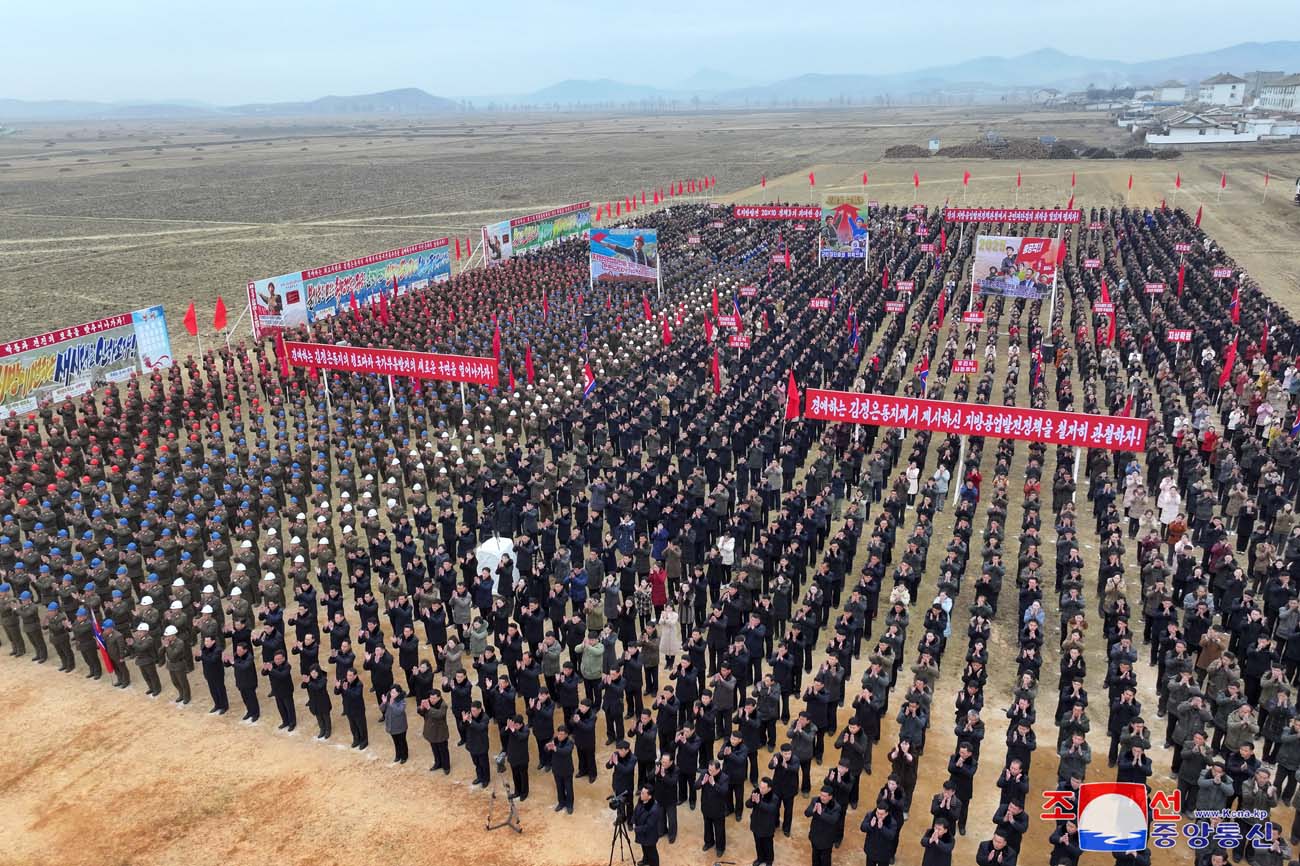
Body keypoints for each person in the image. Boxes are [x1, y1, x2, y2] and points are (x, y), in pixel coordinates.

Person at [805, 786, 840, 866]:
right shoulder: (815, 800)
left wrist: (821, 814)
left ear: (830, 797)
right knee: (815, 859)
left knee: (825, 861)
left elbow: (833, 820)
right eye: (821, 795)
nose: (822, 798)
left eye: (824, 796)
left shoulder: (836, 807)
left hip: (826, 840)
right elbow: (806, 813)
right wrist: (812, 810)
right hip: (815, 836)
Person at [748, 777, 780, 866]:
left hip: (767, 827)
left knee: (768, 846)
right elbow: (748, 804)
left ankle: (769, 861)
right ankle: (760, 858)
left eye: (763, 788)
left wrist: (759, 803)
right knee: (758, 844)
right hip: (756, 824)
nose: (760, 789)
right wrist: (752, 800)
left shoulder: (774, 798)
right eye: (760, 786)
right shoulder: (756, 792)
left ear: (769, 789)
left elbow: (771, 809)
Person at [418, 690, 451, 773]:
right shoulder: (427, 702)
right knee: (434, 749)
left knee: (443, 750)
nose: (432, 700)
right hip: (431, 731)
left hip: (440, 732)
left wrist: (429, 708)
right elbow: (421, 713)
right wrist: (421, 707)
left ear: (439, 698)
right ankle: (438, 763)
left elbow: (440, 715)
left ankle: (446, 766)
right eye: (431, 698)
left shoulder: (443, 705)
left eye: (434, 698)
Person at [547, 725, 576, 813]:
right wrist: (548, 747)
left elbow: (566, 752)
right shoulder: (554, 739)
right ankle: (561, 803)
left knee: (569, 788)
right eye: (559, 734)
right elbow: (546, 748)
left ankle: (570, 805)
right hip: (557, 769)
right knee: (559, 788)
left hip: (567, 770)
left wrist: (555, 748)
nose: (560, 736)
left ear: (566, 735)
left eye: (562, 734)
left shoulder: (570, 742)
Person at [633, 786, 663, 866]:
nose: (641, 795)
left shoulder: (654, 809)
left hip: (649, 836)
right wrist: (633, 821)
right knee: (644, 848)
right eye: (641, 792)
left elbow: (648, 826)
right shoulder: (641, 800)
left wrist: (636, 828)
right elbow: (636, 810)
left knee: (652, 852)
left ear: (649, 796)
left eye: (643, 793)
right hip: (642, 833)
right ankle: (646, 860)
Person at [505, 714, 531, 800]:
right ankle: (517, 791)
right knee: (515, 775)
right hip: (513, 757)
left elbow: (521, 737)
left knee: (523, 776)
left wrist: (513, 730)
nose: (515, 727)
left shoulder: (526, 730)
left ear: (521, 724)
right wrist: (507, 728)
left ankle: (524, 793)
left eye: (516, 725)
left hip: (522, 758)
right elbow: (502, 734)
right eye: (514, 725)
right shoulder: (512, 729)